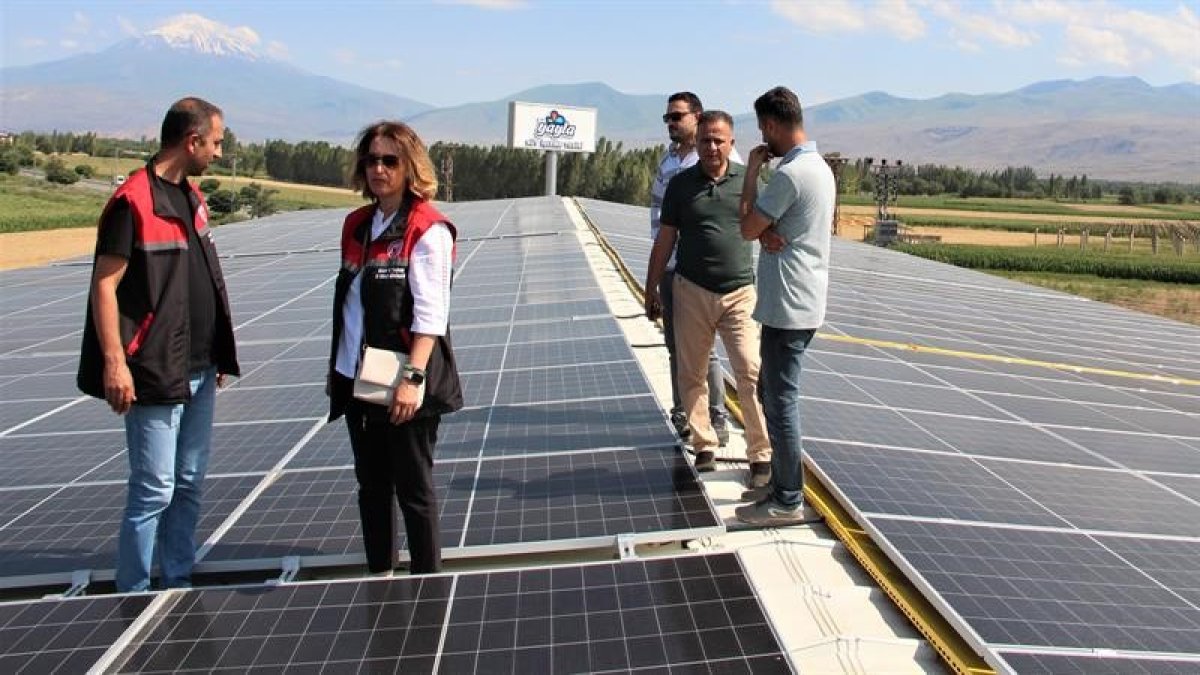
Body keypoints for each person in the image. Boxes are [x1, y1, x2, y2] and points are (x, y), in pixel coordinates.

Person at [77, 97, 240, 591]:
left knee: (189, 482)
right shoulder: (132, 202)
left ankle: (176, 580)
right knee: (154, 488)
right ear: (191, 141)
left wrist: (215, 350)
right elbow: (105, 285)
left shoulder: (191, 198)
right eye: (214, 143)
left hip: (199, 365)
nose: (217, 153)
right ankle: (134, 593)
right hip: (153, 369)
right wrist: (114, 364)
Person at [327, 121, 463, 576]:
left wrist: (414, 378)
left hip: (404, 380)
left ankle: (426, 581)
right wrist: (340, 374)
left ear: (410, 166)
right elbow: (351, 302)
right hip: (358, 377)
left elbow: (431, 314)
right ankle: (380, 574)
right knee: (371, 484)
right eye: (371, 160)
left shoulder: (427, 228)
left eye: (390, 160)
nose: (378, 169)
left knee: (413, 489)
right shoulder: (358, 225)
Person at [645, 111, 772, 481]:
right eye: (705, 140)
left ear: (732, 143)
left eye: (719, 140)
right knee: (692, 372)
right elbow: (665, 239)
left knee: (749, 372)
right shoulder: (681, 185)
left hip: (739, 294)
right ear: (696, 143)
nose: (712, 147)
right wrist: (651, 287)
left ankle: (761, 453)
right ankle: (704, 445)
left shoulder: (746, 182)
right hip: (691, 291)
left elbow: (764, 223)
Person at [736, 86, 836, 526]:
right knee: (771, 394)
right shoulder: (819, 168)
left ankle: (787, 499)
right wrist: (766, 231)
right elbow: (768, 228)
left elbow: (745, 225)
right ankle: (781, 488)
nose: (762, 139)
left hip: (788, 306)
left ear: (774, 125)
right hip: (801, 300)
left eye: (762, 129)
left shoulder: (790, 175)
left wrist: (752, 171)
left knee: (780, 401)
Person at [649, 92, 732, 447]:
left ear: (696, 117)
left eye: (676, 116)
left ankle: (716, 416)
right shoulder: (668, 161)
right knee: (674, 346)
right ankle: (682, 410)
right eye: (667, 117)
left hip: (697, 272)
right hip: (669, 268)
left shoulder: (715, 158)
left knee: (704, 350)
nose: (670, 123)